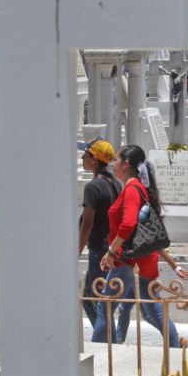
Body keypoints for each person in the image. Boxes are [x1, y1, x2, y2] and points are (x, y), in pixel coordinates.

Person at [92, 144, 184, 347]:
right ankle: (175, 345)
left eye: (115, 160)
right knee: (152, 307)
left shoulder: (132, 189)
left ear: (126, 164)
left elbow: (128, 224)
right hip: (135, 259)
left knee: (105, 306)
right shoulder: (135, 188)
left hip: (126, 259)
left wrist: (110, 251)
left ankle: (96, 352)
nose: (112, 164)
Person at [78, 138, 122, 327]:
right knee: (91, 297)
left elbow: (88, 223)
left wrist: (76, 252)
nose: (82, 157)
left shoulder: (93, 187)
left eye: (86, 154)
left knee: (96, 300)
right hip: (110, 247)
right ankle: (105, 335)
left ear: (94, 160)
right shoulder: (115, 183)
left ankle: (105, 337)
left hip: (98, 250)